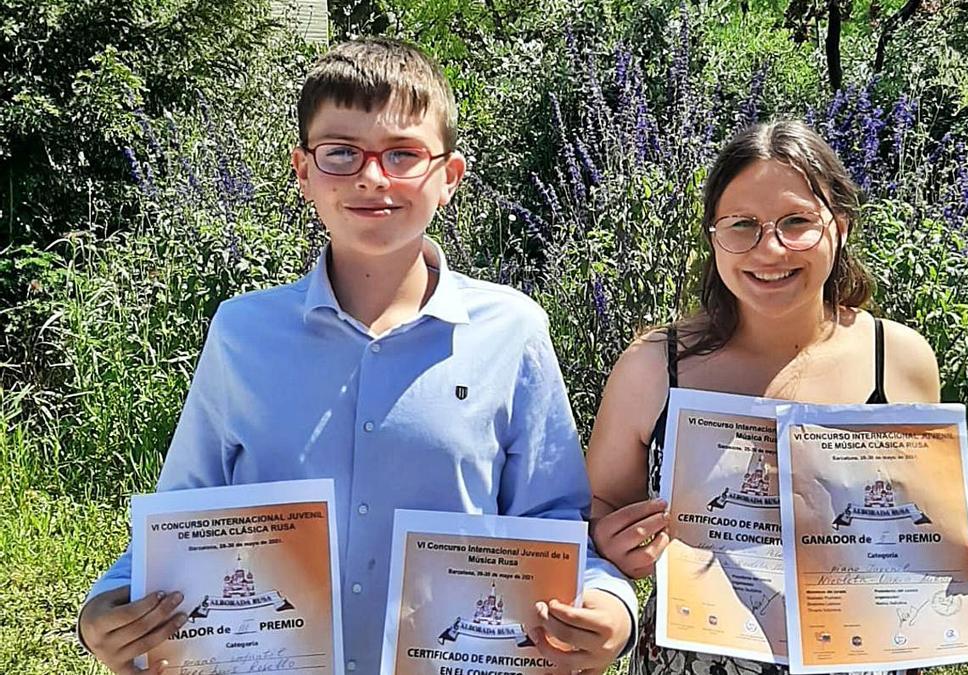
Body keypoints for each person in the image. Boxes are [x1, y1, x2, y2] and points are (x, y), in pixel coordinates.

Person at [77, 37, 634, 675]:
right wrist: (104, 611)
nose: (373, 176)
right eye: (341, 153)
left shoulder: (512, 331)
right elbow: (180, 525)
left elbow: (556, 526)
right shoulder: (242, 334)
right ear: (303, 171)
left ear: (448, 177)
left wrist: (611, 606)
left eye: (403, 154)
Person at [586, 119, 968, 674]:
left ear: (840, 227)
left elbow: (917, 523)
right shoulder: (654, 367)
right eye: (742, 225)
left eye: (797, 221)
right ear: (713, 238)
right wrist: (612, 545)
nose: (769, 248)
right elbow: (598, 508)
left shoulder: (897, 359)